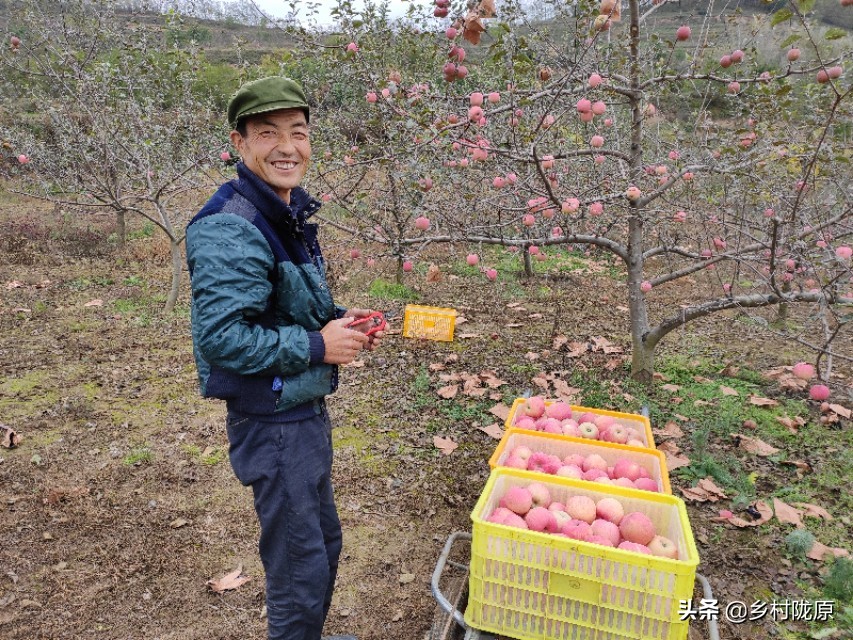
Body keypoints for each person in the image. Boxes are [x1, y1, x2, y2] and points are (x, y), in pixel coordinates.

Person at [185, 76, 382, 640]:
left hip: (298, 409)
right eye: (268, 133)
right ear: (240, 143)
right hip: (272, 421)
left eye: (297, 132)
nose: (286, 146)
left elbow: (284, 299)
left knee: (322, 545)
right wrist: (320, 346)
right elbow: (222, 339)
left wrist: (341, 320)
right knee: (300, 567)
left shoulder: (280, 210)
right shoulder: (232, 225)